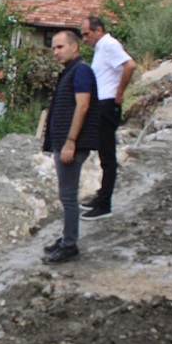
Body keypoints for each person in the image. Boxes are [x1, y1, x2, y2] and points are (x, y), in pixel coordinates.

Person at [41, 30, 101, 264]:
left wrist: (71, 142)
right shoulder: (70, 72)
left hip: (72, 144)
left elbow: (83, 106)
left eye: (60, 47)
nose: (55, 52)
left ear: (74, 47)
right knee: (66, 194)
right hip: (63, 142)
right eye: (53, 47)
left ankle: (69, 245)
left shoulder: (81, 71)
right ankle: (67, 238)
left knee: (68, 196)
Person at [79, 15, 136, 220]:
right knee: (103, 154)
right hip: (102, 104)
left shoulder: (109, 45)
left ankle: (105, 205)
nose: (85, 38)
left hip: (107, 104)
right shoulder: (101, 47)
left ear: (98, 30)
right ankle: (101, 197)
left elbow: (130, 65)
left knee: (107, 155)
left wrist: (120, 92)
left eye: (87, 33)